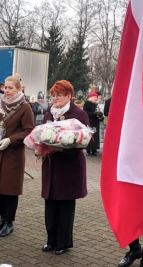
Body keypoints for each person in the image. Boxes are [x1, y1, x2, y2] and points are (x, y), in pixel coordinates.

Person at [38, 80, 89, 255]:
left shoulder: (78, 114)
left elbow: (88, 140)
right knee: (50, 203)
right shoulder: (49, 113)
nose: (55, 98)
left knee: (65, 205)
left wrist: (68, 143)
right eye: (53, 95)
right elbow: (41, 135)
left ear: (69, 96)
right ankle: (50, 240)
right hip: (51, 166)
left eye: (59, 95)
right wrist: (40, 147)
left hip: (69, 167)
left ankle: (63, 242)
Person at [0, 76, 34, 237]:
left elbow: (29, 131)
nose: (7, 91)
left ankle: (9, 222)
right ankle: (1, 218)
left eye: (10, 88)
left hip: (13, 154)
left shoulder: (24, 108)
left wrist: (11, 140)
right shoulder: (1, 105)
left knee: (9, 190)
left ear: (19, 89)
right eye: (5, 87)